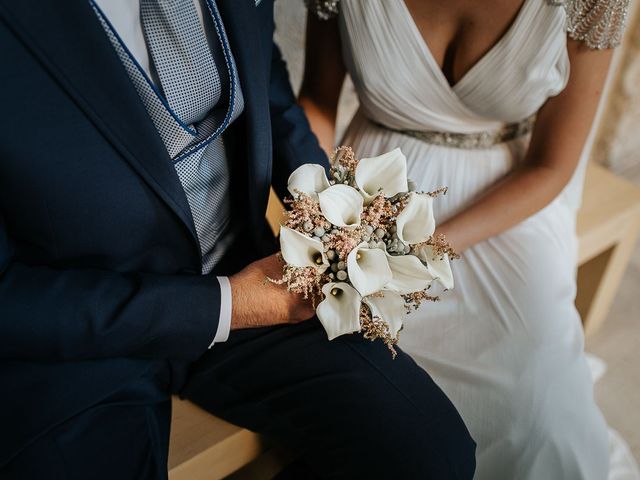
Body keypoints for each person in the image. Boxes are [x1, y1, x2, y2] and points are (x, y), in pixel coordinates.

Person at [0, 1, 476, 479]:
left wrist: (333, 215)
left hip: (247, 268)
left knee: (433, 457)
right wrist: (227, 305)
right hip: (79, 339)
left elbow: (265, 83)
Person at [299, 0, 634, 478]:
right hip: (373, 187)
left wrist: (423, 250)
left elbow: (552, 165)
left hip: (508, 199)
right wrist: (319, 206)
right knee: (367, 397)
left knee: (539, 419)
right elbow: (317, 99)